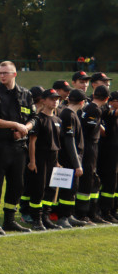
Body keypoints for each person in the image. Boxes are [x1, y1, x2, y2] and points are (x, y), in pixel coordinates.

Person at [0, 61, 36, 233]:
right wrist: (14, 125)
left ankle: (9, 220)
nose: (2, 75)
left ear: (15, 74)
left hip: (19, 147)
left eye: (6, 72)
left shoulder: (25, 94)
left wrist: (24, 129)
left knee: (16, 185)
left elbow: (34, 118)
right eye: (0, 73)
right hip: (0, 146)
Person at [74, 85, 111, 224]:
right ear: (107, 99)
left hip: (87, 146)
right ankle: (83, 213)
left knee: (93, 179)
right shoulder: (95, 110)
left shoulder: (89, 108)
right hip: (89, 147)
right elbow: (89, 129)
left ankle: (91, 211)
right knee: (87, 179)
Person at [27, 88, 62, 230]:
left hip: (53, 158)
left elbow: (58, 142)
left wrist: (58, 161)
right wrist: (32, 161)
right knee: (38, 189)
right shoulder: (38, 119)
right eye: (52, 99)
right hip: (41, 158)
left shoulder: (58, 119)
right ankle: (36, 219)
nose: (55, 101)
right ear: (44, 100)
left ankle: (46, 217)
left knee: (50, 188)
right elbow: (32, 142)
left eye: (57, 99)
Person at [55, 88, 86, 228]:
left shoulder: (70, 114)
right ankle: (62, 217)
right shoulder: (69, 115)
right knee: (67, 189)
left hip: (70, 159)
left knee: (72, 189)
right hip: (68, 160)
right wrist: (77, 163)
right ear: (82, 102)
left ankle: (68, 215)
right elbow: (69, 140)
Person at [97, 92, 118, 223]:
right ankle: (105, 211)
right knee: (108, 183)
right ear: (111, 102)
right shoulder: (107, 112)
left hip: (115, 155)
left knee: (115, 185)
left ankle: (113, 210)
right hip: (107, 154)